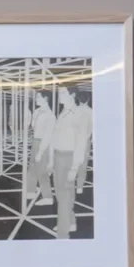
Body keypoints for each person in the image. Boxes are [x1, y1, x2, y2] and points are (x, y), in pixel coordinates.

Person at [49, 84, 89, 238]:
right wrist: (52, 160)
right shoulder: (63, 112)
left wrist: (74, 167)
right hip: (59, 157)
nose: (59, 95)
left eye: (62, 92)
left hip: (69, 158)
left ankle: (63, 232)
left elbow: (81, 143)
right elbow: (56, 137)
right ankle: (71, 222)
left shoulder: (79, 114)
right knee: (61, 194)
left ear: (72, 95)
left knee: (65, 195)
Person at [30, 89, 56, 206]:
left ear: (45, 99)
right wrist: (35, 117)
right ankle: (31, 190)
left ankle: (48, 197)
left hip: (43, 143)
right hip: (36, 141)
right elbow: (33, 126)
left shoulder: (50, 116)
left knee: (42, 171)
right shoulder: (37, 111)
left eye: (38, 97)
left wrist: (40, 152)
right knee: (33, 167)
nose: (36, 99)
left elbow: (47, 136)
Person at [73, 85, 93, 195]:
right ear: (88, 100)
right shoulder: (91, 112)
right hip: (85, 141)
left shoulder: (74, 111)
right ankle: (79, 187)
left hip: (73, 141)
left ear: (78, 99)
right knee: (83, 164)